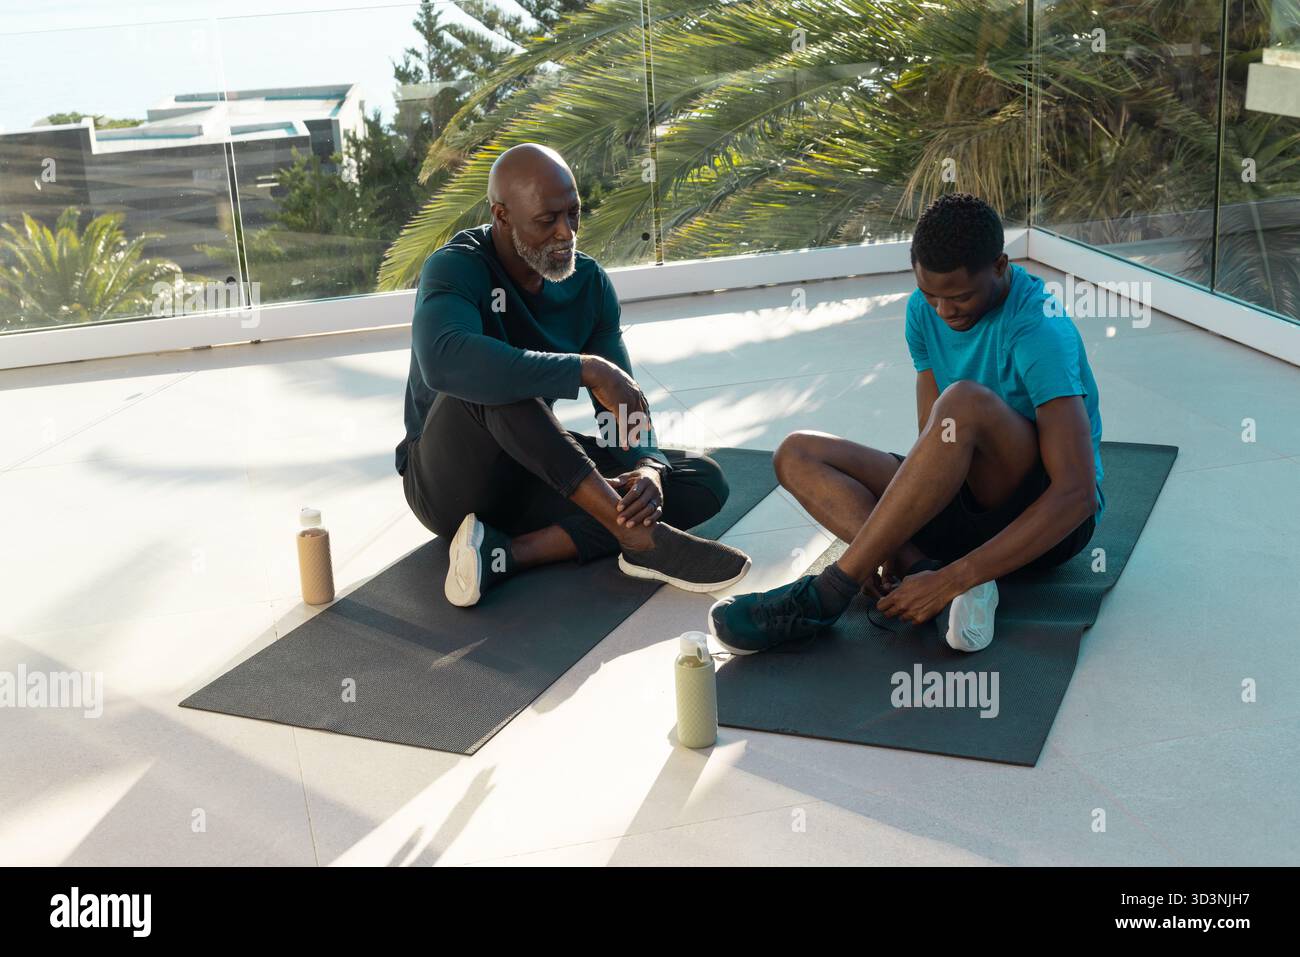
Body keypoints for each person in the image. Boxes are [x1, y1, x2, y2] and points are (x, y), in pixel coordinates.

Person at [709, 192, 1104, 653]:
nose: (943, 311)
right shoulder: (924, 309)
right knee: (796, 453)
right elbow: (931, 444)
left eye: (959, 296)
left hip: (1043, 521)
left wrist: (955, 575)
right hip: (961, 504)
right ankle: (918, 569)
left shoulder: (1039, 329)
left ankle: (830, 592)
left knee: (964, 403)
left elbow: (1077, 496)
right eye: (930, 294)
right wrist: (920, 551)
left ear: (999, 265)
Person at [396, 143, 750, 607]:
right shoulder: (455, 267)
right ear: (501, 216)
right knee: (496, 379)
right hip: (446, 483)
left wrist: (646, 465)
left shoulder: (589, 283)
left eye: (574, 214)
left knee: (700, 480)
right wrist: (584, 368)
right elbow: (444, 360)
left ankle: (508, 553)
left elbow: (618, 398)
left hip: (537, 470)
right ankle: (643, 543)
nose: (566, 233)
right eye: (547, 221)